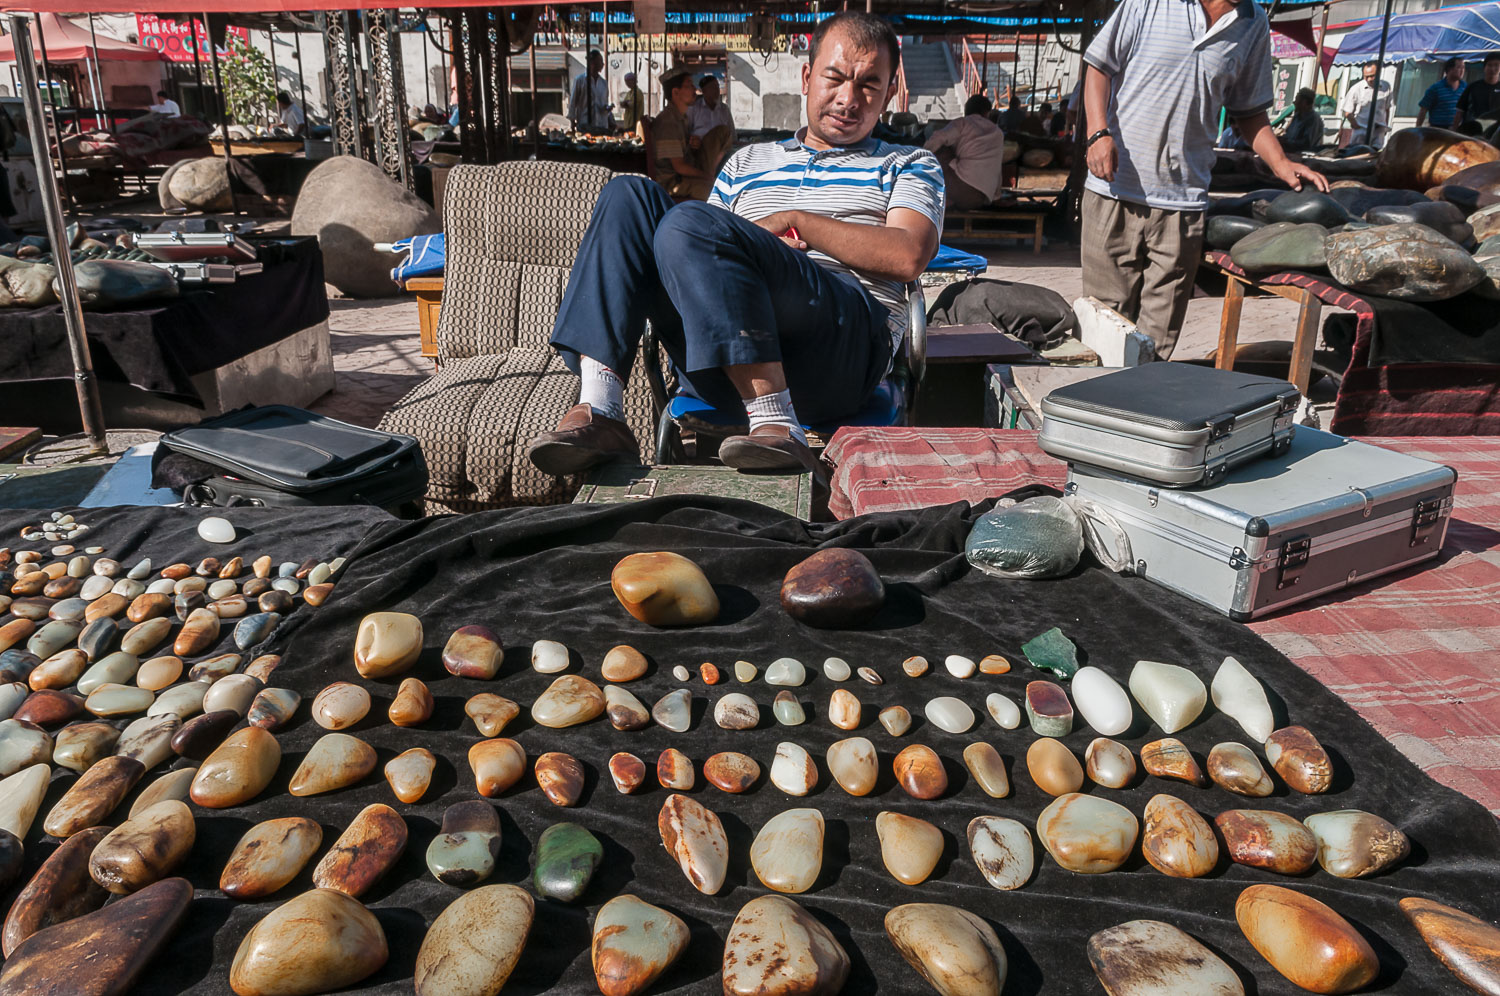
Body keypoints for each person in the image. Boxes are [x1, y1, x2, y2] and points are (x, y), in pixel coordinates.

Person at [525, 11, 943, 478]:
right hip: (722, 359)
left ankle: (776, 422)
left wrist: (796, 221)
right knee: (629, 196)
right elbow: (697, 250)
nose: (849, 98)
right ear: (807, 77)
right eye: (836, 77)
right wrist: (747, 244)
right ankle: (601, 410)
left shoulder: (908, 163)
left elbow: (907, 255)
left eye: (869, 84)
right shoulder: (746, 162)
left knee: (689, 221)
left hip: (838, 355)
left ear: (889, 93)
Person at [1081, 0, 1326, 359]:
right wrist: (1097, 132)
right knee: (1104, 322)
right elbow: (1099, 67)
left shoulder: (1252, 22)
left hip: (1182, 204)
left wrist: (1281, 163)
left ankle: (1139, 407)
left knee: (1156, 337)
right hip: (1115, 190)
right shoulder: (1149, 3)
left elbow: (1250, 111)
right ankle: (1093, 408)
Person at [925, 93, 1006, 210]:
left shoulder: (963, 122)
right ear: (986, 113)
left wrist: (920, 158)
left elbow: (939, 137)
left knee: (941, 150)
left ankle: (941, 196)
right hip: (980, 199)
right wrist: (997, 197)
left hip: (959, 190)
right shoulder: (998, 132)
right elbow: (997, 168)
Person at [651, 70, 714, 199]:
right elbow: (679, 166)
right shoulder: (668, 122)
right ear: (676, 92)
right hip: (672, 183)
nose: (694, 89)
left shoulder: (680, 118)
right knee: (715, 192)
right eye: (689, 85)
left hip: (682, 178)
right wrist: (707, 176)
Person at [686, 75, 736, 176]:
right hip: (700, 151)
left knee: (723, 133)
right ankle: (711, 173)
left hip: (721, 153)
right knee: (720, 131)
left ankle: (713, 171)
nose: (716, 91)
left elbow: (733, 135)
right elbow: (685, 132)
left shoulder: (724, 110)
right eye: (712, 88)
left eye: (717, 87)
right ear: (704, 91)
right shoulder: (694, 109)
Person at [1340, 61, 1393, 148]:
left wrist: (1385, 126)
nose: (1369, 79)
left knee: (1375, 155)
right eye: (1366, 76)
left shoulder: (1386, 86)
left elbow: (1387, 108)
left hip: (1378, 130)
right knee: (1357, 155)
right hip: (1361, 130)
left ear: (1379, 73)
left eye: (1372, 76)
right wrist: (1356, 126)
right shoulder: (1356, 89)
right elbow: (1347, 112)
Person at [1455, 52, 1500, 132]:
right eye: (1489, 65)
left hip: (1494, 134)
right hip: (1472, 132)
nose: (1492, 68)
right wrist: (1454, 129)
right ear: (1484, 67)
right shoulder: (1473, 87)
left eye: (1496, 65)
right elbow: (1460, 111)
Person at [1416, 57, 1466, 129]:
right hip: (1438, 130)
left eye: (1463, 68)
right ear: (1449, 69)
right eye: (1459, 67)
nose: (1462, 71)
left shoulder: (1465, 88)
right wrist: (1418, 129)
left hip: (1458, 131)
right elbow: (1423, 110)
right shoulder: (1435, 89)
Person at [569, 49, 612, 133]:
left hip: (601, 126)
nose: (602, 64)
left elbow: (604, 103)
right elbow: (573, 103)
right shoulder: (580, 80)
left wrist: (607, 109)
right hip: (585, 125)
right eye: (600, 61)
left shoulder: (604, 83)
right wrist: (572, 121)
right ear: (592, 63)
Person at [1280, 87, 1325, 152]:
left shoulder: (1313, 119)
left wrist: (1287, 142)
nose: (1294, 102)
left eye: (1296, 99)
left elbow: (1307, 144)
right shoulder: (1297, 116)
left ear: (1304, 102)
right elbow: (1288, 134)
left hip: (1304, 155)